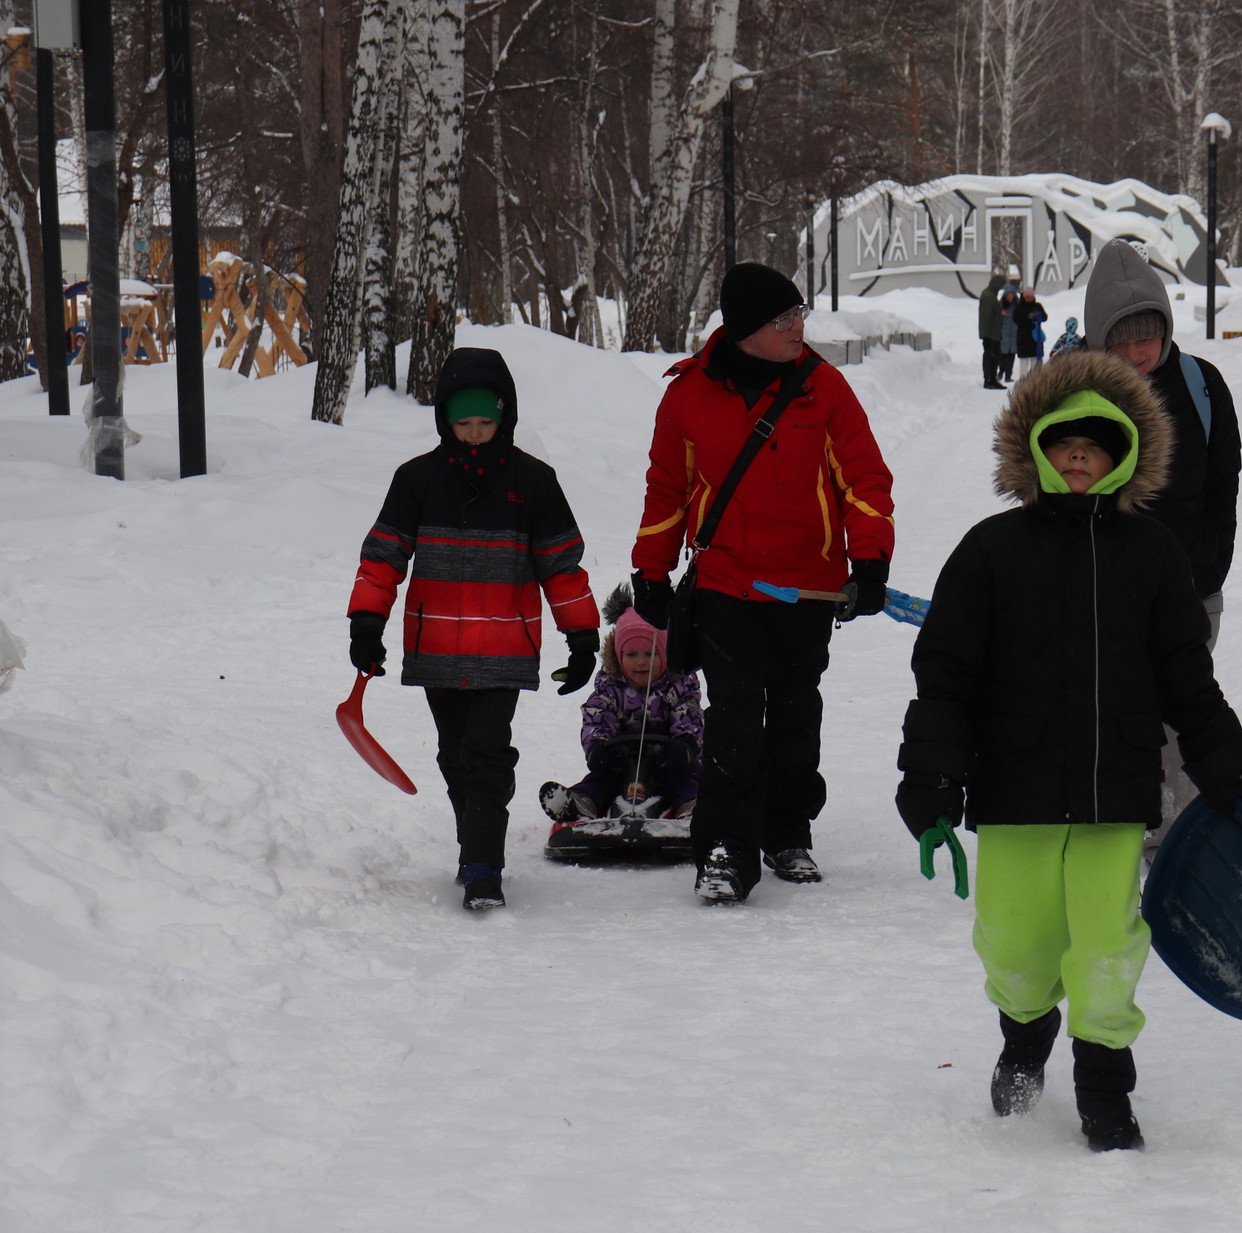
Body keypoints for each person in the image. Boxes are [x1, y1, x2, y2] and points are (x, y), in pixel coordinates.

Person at [894, 350, 1242, 1152]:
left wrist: (1224, 760)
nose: (1077, 462)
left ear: (1123, 458)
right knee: (1014, 940)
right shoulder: (990, 551)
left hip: (1114, 792)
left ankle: (1103, 1081)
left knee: (1106, 943)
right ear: (1035, 453)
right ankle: (1025, 1032)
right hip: (1014, 789)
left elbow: (1185, 677)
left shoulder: (1152, 554)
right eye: (1064, 448)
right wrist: (931, 772)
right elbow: (946, 672)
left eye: (1094, 451)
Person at [631, 262, 896, 904]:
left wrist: (871, 560)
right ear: (749, 329)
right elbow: (667, 489)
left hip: (810, 588)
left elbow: (865, 481)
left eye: (800, 313)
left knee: (796, 711)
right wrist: (651, 568)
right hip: (727, 585)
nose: (800, 326)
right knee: (735, 718)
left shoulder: (824, 389)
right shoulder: (689, 396)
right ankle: (724, 847)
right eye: (786, 319)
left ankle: (787, 829)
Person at [347, 346, 600, 911]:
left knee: (487, 752)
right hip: (436, 645)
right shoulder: (416, 480)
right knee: (455, 754)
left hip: (503, 648)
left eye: (487, 422)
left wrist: (581, 637)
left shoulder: (533, 483)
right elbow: (384, 557)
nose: (476, 435)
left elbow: (561, 566)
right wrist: (367, 622)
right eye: (464, 423)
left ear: (505, 418)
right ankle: (474, 844)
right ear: (445, 420)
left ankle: (485, 865)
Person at [1083, 239, 1242, 830]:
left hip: (1189, 585)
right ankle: (1128, 817)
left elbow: (1223, 478)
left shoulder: (1202, 385)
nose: (1136, 352)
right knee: (1118, 709)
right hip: (1101, 587)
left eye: (1146, 336)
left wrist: (1211, 564)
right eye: (1121, 340)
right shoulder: (1077, 394)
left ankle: (1173, 825)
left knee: (1181, 704)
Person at [540, 591, 703, 823]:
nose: (641, 662)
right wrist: (597, 745)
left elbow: (690, 714)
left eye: (650, 654)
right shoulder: (610, 687)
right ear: (618, 655)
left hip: (670, 761)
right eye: (632, 654)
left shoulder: (678, 684)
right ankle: (580, 804)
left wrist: (686, 742)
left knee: (683, 782)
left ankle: (693, 809)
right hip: (620, 762)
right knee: (600, 781)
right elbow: (598, 715)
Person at [977, 268, 1006, 389]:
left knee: (995, 356)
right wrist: (987, 334)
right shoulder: (988, 296)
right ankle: (988, 379)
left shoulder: (991, 295)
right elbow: (987, 316)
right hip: (990, 333)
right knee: (990, 356)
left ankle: (992, 379)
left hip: (994, 333)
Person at [1012, 284, 1047, 370]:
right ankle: (1024, 382)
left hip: (1035, 340)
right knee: (1023, 367)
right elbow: (1016, 319)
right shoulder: (1019, 307)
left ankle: (1035, 382)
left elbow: (1045, 317)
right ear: (1024, 297)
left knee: (1035, 366)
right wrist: (1028, 317)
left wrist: (1039, 315)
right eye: (1027, 297)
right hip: (1023, 340)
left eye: (1031, 297)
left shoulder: (1038, 306)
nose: (1029, 299)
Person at [997, 289, 1018, 385]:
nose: (1010, 298)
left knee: (1011, 356)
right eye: (1008, 296)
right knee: (1003, 355)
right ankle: (1001, 371)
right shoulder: (1000, 306)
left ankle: (1008, 375)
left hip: (1014, 334)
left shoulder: (1016, 306)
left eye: (1011, 296)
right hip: (1003, 334)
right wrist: (1000, 314)